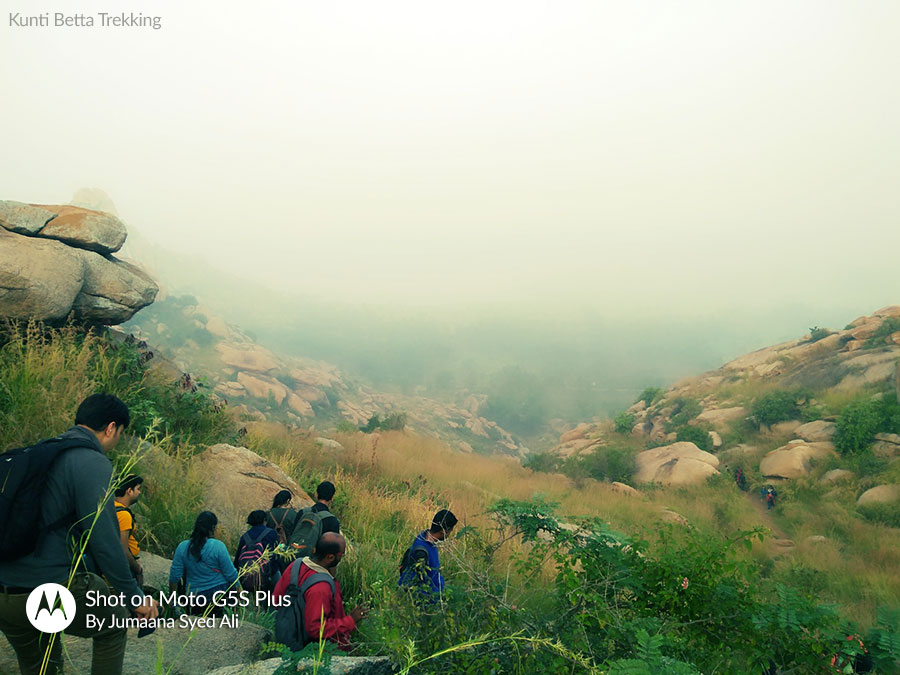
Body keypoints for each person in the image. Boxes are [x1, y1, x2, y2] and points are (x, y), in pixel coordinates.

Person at [0, 393, 159, 675]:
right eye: (120, 433)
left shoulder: (36, 454)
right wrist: (134, 598)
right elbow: (106, 542)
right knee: (112, 626)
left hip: (5, 596)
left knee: (41, 664)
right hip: (45, 590)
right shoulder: (91, 462)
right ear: (111, 428)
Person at [273, 532, 367, 651]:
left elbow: (276, 600)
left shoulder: (296, 565)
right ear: (330, 557)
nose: (342, 557)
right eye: (342, 555)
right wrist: (351, 620)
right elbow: (315, 628)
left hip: (289, 637)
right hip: (318, 652)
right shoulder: (321, 587)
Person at [169, 511, 238, 616]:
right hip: (219, 596)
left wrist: (173, 601)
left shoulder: (183, 547)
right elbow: (231, 574)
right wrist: (240, 592)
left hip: (194, 599)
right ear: (213, 528)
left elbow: (174, 577)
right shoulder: (218, 546)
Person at [398, 509, 458, 597]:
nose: (449, 535)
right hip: (426, 602)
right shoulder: (421, 553)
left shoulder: (424, 537)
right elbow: (416, 583)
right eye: (450, 531)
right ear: (443, 532)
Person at [289, 481, 341, 558]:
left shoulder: (302, 512)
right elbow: (332, 549)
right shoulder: (332, 521)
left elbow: (292, 533)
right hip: (316, 563)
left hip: (296, 558)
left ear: (316, 494)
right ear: (332, 498)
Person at [234, 510, 279, 593]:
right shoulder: (272, 533)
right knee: (279, 582)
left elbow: (237, 560)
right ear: (265, 520)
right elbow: (276, 556)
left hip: (246, 578)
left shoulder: (245, 537)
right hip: (267, 577)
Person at [115, 474, 144, 588]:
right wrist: (137, 568)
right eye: (138, 489)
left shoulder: (109, 507)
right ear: (129, 491)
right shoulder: (123, 515)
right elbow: (123, 550)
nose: (140, 493)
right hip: (123, 570)